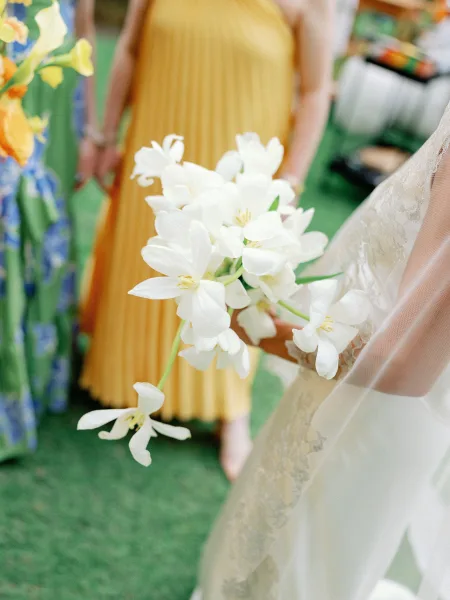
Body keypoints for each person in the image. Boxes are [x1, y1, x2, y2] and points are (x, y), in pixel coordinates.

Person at [191, 104, 450, 598]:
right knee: (273, 547)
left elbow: (407, 365)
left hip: (374, 414)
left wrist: (260, 330)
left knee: (306, 571)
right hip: (347, 388)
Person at [79, 0, 334, 480]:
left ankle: (228, 406)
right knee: (156, 268)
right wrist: (105, 135)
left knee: (228, 281)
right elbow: (131, 50)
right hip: (160, 154)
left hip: (239, 172)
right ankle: (117, 367)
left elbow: (317, 92)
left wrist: (290, 183)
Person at [0, 0, 97, 462]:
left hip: (52, 103)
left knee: (45, 238)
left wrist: (89, 128)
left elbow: (84, 25)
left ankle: (33, 386)